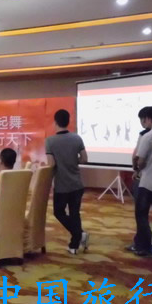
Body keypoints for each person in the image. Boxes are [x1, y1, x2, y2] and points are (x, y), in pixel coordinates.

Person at [46, 109, 89, 255]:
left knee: (59, 212)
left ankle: (78, 236)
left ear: (55, 122)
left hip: (62, 185)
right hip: (77, 183)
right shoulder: (77, 138)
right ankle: (75, 243)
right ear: (68, 121)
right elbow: (84, 159)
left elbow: (51, 164)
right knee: (75, 213)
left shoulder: (50, 141)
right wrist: (72, 160)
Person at [129, 106, 152, 256]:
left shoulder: (148, 136)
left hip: (147, 181)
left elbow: (140, 160)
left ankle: (145, 245)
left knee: (141, 214)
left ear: (148, 118)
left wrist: (136, 168)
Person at [131, 107, 150, 192]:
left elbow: (135, 156)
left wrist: (136, 169)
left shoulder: (144, 135)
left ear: (145, 119)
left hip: (144, 175)